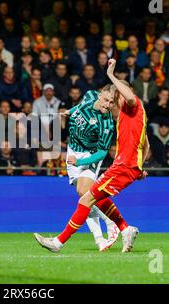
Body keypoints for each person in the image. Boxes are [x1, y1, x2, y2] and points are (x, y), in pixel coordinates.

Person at [34, 59, 149, 253]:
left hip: (122, 166)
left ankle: (58, 243)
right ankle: (125, 228)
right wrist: (139, 167)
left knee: (85, 200)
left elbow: (128, 97)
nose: (113, 103)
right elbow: (146, 144)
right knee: (93, 197)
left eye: (115, 97)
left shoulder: (133, 105)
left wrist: (111, 74)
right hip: (126, 167)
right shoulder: (130, 115)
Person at [42, 84, 120, 251]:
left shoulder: (106, 124)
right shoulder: (90, 94)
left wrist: (79, 163)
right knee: (85, 196)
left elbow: (101, 154)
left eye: (112, 102)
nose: (107, 105)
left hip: (90, 156)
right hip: (73, 149)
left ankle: (109, 222)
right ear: (99, 96)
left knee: (84, 193)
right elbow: (81, 105)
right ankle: (100, 239)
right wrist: (70, 112)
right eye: (106, 100)